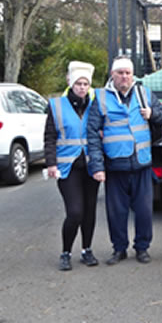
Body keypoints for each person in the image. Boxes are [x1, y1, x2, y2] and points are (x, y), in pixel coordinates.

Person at [87, 56, 162, 265]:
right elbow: (93, 134)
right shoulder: (101, 98)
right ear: (112, 75)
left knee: (143, 211)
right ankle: (119, 249)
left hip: (141, 164)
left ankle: (142, 248)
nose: (124, 77)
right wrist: (97, 166)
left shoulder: (144, 93)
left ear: (133, 75)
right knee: (117, 213)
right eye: (120, 73)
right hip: (115, 165)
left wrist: (153, 114)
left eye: (128, 73)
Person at [45, 61, 100, 271]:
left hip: (91, 165)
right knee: (75, 212)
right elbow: (50, 136)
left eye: (86, 84)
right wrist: (51, 162)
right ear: (70, 83)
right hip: (67, 167)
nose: (82, 87)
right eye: (78, 83)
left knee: (90, 211)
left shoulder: (95, 105)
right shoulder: (56, 105)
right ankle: (66, 252)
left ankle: (87, 250)